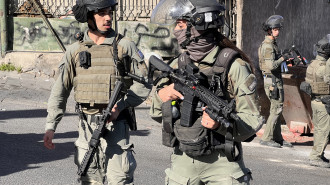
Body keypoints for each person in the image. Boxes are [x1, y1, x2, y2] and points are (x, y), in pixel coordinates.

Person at [149, 0, 264, 184]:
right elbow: (156, 114)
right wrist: (160, 97)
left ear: (197, 25)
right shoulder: (179, 64)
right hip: (183, 162)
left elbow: (252, 122)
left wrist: (221, 126)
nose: (175, 31)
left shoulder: (234, 66)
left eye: (180, 25)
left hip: (222, 163)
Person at [43, 0, 151, 184]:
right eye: (101, 13)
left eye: (109, 12)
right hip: (87, 126)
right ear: (89, 16)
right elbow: (60, 90)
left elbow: (144, 83)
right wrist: (51, 126)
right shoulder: (75, 50)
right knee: (89, 178)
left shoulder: (124, 46)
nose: (108, 17)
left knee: (120, 179)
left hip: (117, 125)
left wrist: (121, 106)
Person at [258, 15, 293, 148]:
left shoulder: (272, 44)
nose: (278, 31)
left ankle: (277, 138)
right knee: (276, 109)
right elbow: (272, 66)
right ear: (269, 30)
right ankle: (266, 138)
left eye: (278, 29)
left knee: (276, 109)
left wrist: (285, 58)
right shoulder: (267, 46)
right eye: (276, 29)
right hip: (272, 81)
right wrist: (283, 58)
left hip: (274, 80)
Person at [303, 34, 330, 168]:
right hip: (325, 102)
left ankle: (318, 153)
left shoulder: (313, 64)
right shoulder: (324, 67)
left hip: (316, 101)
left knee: (319, 129)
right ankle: (316, 156)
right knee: (324, 130)